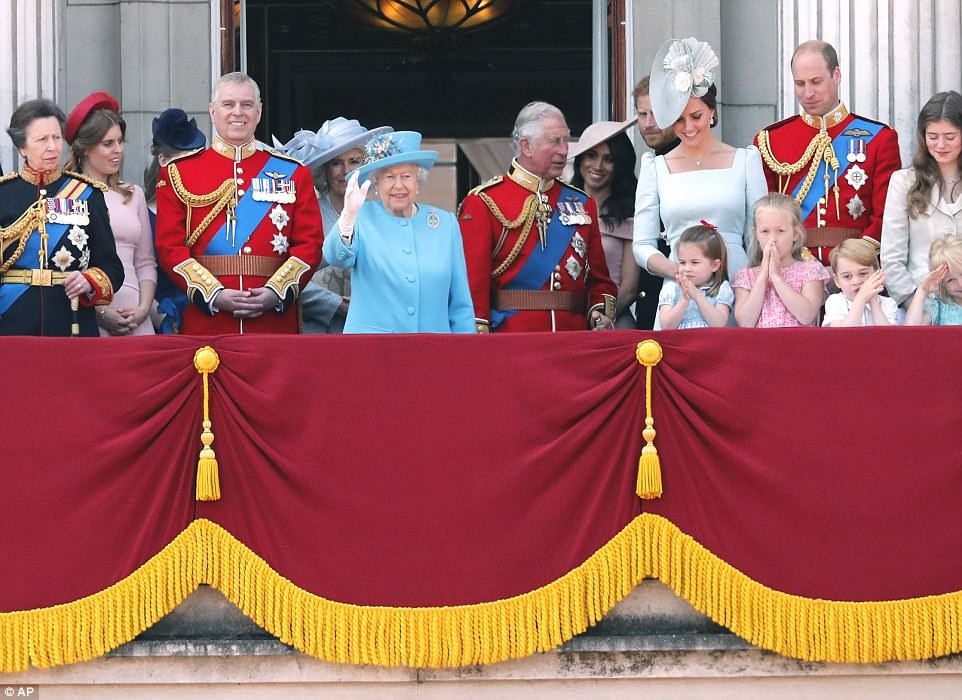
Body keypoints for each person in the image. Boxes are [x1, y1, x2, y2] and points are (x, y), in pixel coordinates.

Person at [154, 72, 323, 334]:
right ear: (212, 112)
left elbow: (309, 244)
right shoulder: (178, 173)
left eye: (246, 105)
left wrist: (275, 292)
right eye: (228, 104)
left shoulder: (294, 173)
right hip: (208, 321)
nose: (238, 112)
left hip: (273, 322)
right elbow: (170, 247)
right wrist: (213, 294)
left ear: (259, 112)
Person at [633, 36, 767, 313]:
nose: (688, 127)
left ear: (712, 112)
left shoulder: (746, 161)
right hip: (678, 292)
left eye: (696, 116)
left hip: (738, 287)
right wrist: (679, 272)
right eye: (679, 119)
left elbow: (759, 236)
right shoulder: (655, 168)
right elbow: (642, 245)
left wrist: (752, 285)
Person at [458, 101, 616, 332]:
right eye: (554, 141)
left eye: (566, 140)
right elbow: (473, 285)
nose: (564, 150)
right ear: (526, 146)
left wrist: (598, 311)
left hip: (573, 338)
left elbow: (600, 280)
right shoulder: (483, 202)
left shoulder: (581, 203)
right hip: (513, 339)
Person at [754, 40, 901, 265]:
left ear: (836, 75)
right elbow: (765, 216)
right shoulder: (770, 141)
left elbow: (886, 216)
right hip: (793, 266)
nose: (808, 92)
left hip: (856, 271)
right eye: (800, 84)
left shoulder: (879, 138)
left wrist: (849, 265)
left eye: (816, 82)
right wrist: (803, 265)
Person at [322, 131, 474, 333]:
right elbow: (335, 256)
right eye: (389, 177)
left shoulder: (445, 224)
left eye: (406, 176)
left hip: (433, 347)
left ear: (418, 180)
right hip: (371, 347)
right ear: (376, 182)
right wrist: (348, 218)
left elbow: (460, 304)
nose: (398, 185)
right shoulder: (361, 217)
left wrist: (465, 348)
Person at [0, 99, 123, 336]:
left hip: (71, 322)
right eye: (42, 140)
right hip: (12, 322)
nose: (52, 147)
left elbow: (112, 267)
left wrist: (89, 280)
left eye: (56, 138)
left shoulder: (88, 194)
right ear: (22, 147)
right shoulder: (4, 194)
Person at [273, 117, 391, 333]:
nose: (345, 170)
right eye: (336, 163)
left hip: (373, 329)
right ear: (324, 171)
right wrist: (334, 304)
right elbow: (282, 275)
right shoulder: (306, 215)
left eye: (354, 161)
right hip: (318, 334)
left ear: (366, 166)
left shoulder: (381, 217)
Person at [64, 91, 156, 336]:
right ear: (85, 148)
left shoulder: (133, 194)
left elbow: (145, 262)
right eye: (108, 144)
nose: (118, 150)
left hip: (137, 319)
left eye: (120, 141)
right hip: (87, 317)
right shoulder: (65, 197)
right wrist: (101, 314)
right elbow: (63, 271)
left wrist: (143, 309)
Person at [880, 91, 962, 308]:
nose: (941, 145)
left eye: (950, 137)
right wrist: (914, 303)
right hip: (921, 305)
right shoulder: (903, 182)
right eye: (933, 137)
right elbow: (891, 257)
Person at [568, 120, 639, 328]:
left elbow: (629, 288)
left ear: (620, 166)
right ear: (580, 159)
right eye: (591, 155)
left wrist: (600, 320)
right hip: (565, 321)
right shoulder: (559, 206)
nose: (598, 166)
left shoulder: (631, 214)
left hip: (613, 321)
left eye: (609, 159)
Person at [143, 107, 207, 334]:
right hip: (160, 324)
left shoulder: (212, 209)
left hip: (209, 316)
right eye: (186, 159)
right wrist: (160, 317)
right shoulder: (143, 215)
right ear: (163, 160)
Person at [733, 193, 828, 328]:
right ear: (756, 235)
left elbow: (806, 316)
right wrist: (763, 277)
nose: (773, 239)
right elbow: (745, 323)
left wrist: (776, 278)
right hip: (760, 342)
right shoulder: (746, 276)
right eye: (765, 231)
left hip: (799, 341)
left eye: (780, 231)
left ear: (795, 234)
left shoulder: (811, 270)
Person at [632, 74, 681, 330]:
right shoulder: (652, 162)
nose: (649, 124)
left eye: (656, 113)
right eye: (642, 114)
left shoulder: (691, 162)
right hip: (653, 296)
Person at [658, 222, 733, 329]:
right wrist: (684, 300)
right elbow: (666, 326)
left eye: (695, 262)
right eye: (682, 262)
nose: (687, 268)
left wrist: (697, 296)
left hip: (708, 340)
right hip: (680, 339)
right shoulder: (671, 289)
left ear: (714, 265)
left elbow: (719, 324)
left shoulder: (721, 289)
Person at [822, 238, 897, 326]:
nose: (856, 281)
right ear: (837, 280)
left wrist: (873, 302)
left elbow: (887, 334)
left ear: (877, 273)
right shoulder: (835, 301)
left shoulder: (888, 304)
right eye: (847, 276)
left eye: (862, 273)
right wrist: (861, 298)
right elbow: (842, 333)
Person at [904, 234, 962, 326]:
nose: (960, 283)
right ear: (942, 283)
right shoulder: (938, 308)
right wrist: (922, 291)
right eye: (950, 280)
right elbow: (911, 329)